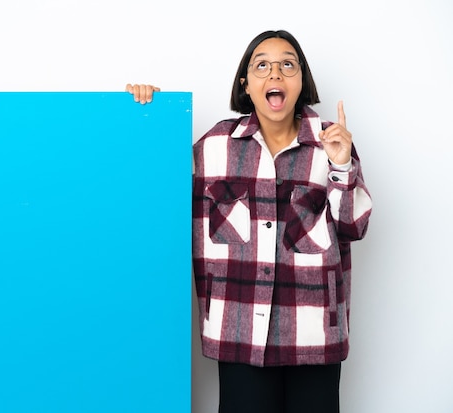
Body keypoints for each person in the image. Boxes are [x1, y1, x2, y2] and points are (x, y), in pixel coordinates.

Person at [127, 30, 372, 413]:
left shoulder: (331, 143)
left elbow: (353, 227)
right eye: (262, 65)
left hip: (313, 339)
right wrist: (148, 116)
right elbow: (153, 194)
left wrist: (341, 164)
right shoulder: (212, 147)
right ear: (246, 82)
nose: (275, 72)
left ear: (302, 80)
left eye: (287, 64)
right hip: (240, 335)